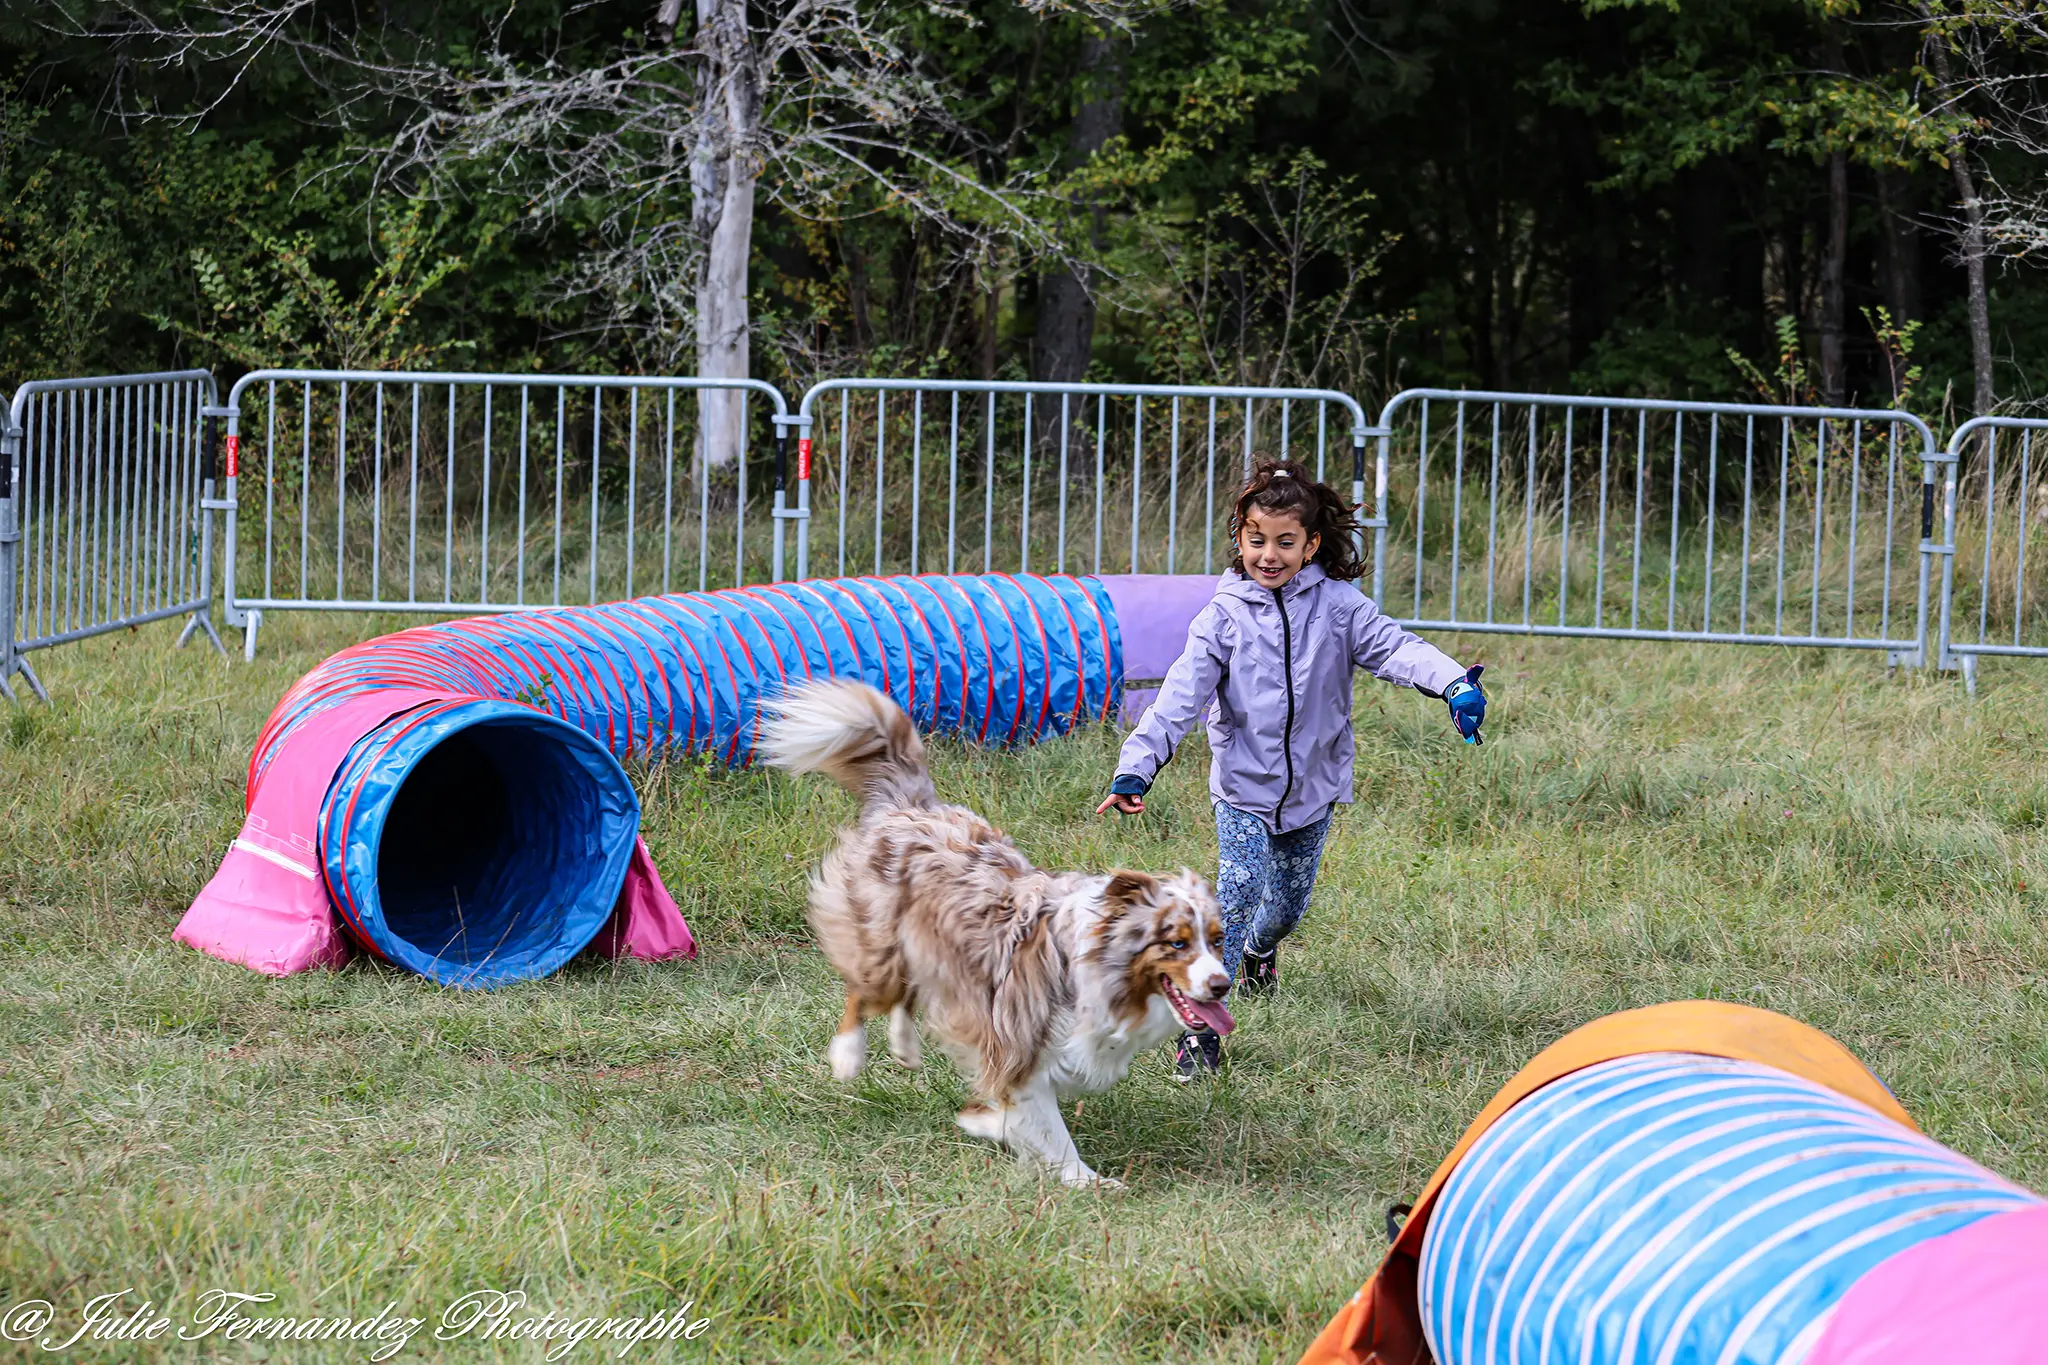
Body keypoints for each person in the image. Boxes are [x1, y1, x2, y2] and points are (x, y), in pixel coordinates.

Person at [1095, 458, 1485, 1081]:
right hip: (1243, 790)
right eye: (1257, 540)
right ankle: (1198, 1035)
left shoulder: (1339, 606)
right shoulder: (1221, 617)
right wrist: (1135, 769)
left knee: (1285, 911)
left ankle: (1261, 953)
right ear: (1239, 538)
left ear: (1311, 546)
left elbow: (1396, 646)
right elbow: (1178, 696)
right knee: (1240, 893)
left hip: (1315, 789)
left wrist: (1454, 684)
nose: (1269, 555)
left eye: (1284, 542)